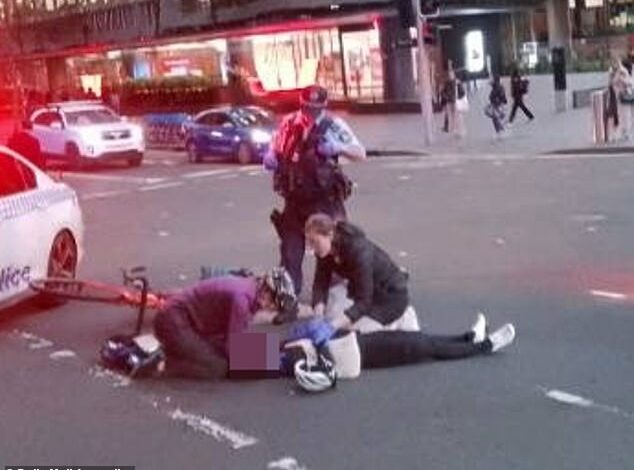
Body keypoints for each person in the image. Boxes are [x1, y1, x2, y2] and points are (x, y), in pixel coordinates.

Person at [265, 85, 366, 299]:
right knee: (290, 254)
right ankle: (287, 301)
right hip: (294, 200)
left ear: (324, 106)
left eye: (316, 108)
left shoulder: (333, 125)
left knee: (332, 250)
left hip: (324, 202)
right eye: (307, 107)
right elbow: (275, 146)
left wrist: (338, 148)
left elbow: (360, 153)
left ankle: (337, 300)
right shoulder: (289, 123)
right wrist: (271, 156)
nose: (311, 113)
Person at [282, 313, 516, 391]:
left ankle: (469, 338)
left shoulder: (279, 351)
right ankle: (485, 346)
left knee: (418, 339)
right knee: (425, 348)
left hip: (359, 342)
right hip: (360, 354)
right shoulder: (283, 359)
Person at [145, 267, 297, 380]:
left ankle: (176, 351)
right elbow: (234, 350)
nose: (271, 309)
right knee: (217, 368)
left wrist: (271, 349)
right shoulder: (242, 299)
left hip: (190, 322)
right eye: (273, 304)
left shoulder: (251, 290)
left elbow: (234, 338)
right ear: (266, 291)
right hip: (174, 322)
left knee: (219, 351)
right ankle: (163, 365)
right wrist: (266, 358)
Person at [304, 213, 421, 334]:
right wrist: (318, 315)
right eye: (309, 242)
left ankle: (400, 319)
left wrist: (332, 326)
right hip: (367, 290)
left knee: (354, 335)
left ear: (330, 234)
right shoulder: (325, 251)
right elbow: (320, 283)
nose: (311, 248)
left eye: (314, 242)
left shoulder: (359, 252)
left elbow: (364, 302)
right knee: (331, 309)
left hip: (390, 298)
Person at [441, 69, 466, 138]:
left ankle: (461, 131)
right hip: (449, 102)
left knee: (458, 117)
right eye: (449, 74)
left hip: (456, 102)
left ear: (454, 75)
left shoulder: (457, 82)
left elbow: (462, 92)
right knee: (451, 117)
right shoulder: (447, 83)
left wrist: (457, 97)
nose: (450, 76)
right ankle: (454, 131)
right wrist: (445, 96)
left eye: (451, 74)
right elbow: (443, 91)